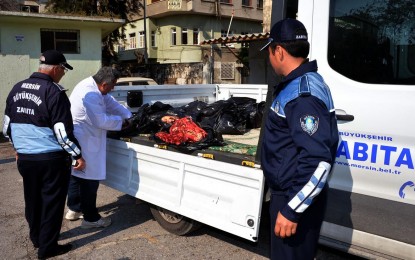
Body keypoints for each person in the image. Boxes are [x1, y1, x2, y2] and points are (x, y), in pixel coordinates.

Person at [260, 18, 339, 260]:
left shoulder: (302, 94)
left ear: (279, 51)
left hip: (294, 196)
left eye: (270, 52)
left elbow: (318, 159)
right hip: (294, 192)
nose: (270, 58)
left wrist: (292, 210)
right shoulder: (304, 83)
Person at [2, 50, 86, 259]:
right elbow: (62, 132)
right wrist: (77, 155)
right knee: (52, 204)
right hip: (51, 159)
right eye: (64, 70)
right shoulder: (54, 92)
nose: (64, 74)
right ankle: (47, 249)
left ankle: (37, 238)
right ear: (56, 68)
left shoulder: (16, 88)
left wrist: (18, 149)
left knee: (32, 200)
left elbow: (6, 127)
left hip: (26, 158)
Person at [65, 66, 132, 228]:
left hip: (82, 138)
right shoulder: (92, 94)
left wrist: (129, 115)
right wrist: (123, 123)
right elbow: (101, 121)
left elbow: (111, 103)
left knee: (77, 174)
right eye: (113, 85)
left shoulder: (92, 86)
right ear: (104, 84)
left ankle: (74, 209)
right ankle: (91, 219)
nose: (113, 88)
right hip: (86, 139)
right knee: (90, 180)